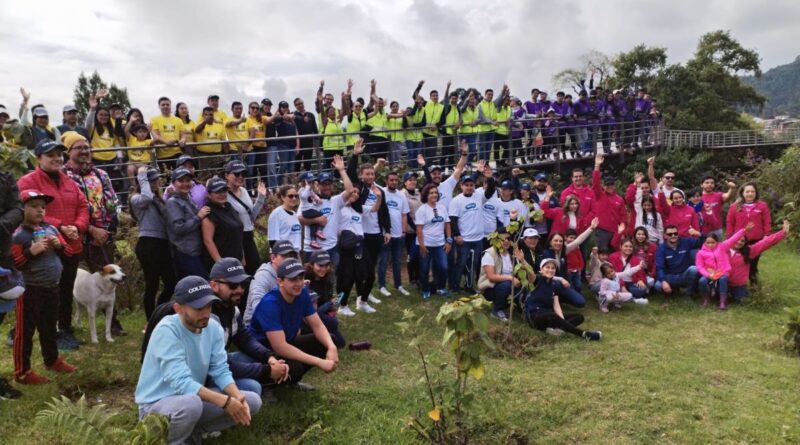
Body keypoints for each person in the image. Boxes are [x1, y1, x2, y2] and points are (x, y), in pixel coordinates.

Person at [136, 276, 262, 445]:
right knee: (191, 404)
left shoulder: (213, 328)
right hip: (155, 405)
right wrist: (225, 402)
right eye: (198, 308)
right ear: (178, 308)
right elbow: (181, 382)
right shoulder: (167, 330)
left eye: (209, 306)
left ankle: (192, 432)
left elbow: (220, 370)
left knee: (252, 401)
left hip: (189, 400)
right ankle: (164, 440)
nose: (205, 314)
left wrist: (237, 397)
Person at [17, 140, 89, 351]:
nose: (57, 158)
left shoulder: (69, 181)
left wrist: (78, 226)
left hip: (70, 244)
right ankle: (42, 332)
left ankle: (64, 329)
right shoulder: (27, 181)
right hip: (44, 246)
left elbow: (83, 205)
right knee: (45, 292)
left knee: (66, 288)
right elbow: (25, 211)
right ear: (38, 158)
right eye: (51, 155)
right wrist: (61, 226)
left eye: (60, 154)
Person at [62, 131, 125, 337]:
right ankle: (64, 326)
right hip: (74, 236)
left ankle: (112, 324)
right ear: (69, 151)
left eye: (86, 147)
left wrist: (109, 228)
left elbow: (113, 201)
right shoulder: (63, 176)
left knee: (109, 279)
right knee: (66, 279)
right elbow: (65, 208)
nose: (84, 151)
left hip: (101, 237)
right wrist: (89, 228)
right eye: (78, 147)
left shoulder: (101, 174)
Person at [12, 190, 78, 384]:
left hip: (52, 286)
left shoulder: (51, 229)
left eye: (43, 207)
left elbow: (69, 252)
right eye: (33, 206)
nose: (40, 210)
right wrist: (31, 252)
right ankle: (22, 371)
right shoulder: (18, 235)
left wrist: (59, 246)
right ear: (20, 209)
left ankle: (52, 360)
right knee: (25, 331)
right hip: (29, 289)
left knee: (49, 326)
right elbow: (14, 263)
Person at [247, 259, 339, 386]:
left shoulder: (302, 294)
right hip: (264, 353)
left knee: (329, 340)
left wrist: (331, 347)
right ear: (280, 282)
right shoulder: (270, 303)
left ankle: (289, 381)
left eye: (301, 278)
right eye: (293, 279)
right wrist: (319, 362)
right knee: (295, 369)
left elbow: (317, 325)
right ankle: (266, 386)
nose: (299, 283)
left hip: (286, 343)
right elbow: (280, 347)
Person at [345, 139, 390, 306]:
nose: (370, 176)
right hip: (361, 234)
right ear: (362, 176)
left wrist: (387, 230)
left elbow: (384, 211)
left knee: (370, 267)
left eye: (372, 174)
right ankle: (360, 296)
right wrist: (355, 155)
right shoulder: (360, 188)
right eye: (367, 174)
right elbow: (350, 175)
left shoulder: (379, 190)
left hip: (375, 234)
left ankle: (366, 294)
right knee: (363, 268)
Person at [131, 166, 177, 320]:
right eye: (152, 180)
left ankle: (159, 313)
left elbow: (163, 214)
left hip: (162, 244)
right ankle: (151, 319)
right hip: (148, 243)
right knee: (152, 284)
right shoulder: (137, 198)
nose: (156, 181)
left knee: (171, 282)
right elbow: (146, 198)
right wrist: (142, 175)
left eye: (157, 178)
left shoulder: (157, 198)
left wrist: (167, 196)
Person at [524, 258, 602, 341]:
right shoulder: (537, 280)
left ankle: (557, 330)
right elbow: (530, 273)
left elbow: (556, 305)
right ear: (541, 270)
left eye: (553, 268)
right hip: (536, 317)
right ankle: (585, 334)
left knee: (579, 317)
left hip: (550, 317)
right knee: (552, 315)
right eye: (547, 267)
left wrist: (561, 321)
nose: (550, 270)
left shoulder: (554, 285)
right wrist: (522, 260)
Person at [298, 155, 353, 269]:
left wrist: (342, 170)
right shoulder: (309, 199)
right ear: (317, 185)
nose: (327, 187)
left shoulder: (336, 201)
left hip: (331, 248)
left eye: (329, 184)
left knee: (331, 281)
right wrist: (317, 220)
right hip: (311, 249)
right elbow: (299, 219)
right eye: (324, 184)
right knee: (311, 281)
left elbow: (350, 190)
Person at [449, 162, 495, 293]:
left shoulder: (479, 197)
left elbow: (490, 191)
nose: (469, 187)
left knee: (474, 264)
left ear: (474, 186)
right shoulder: (456, 201)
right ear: (461, 186)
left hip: (478, 239)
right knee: (461, 263)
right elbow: (453, 220)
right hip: (464, 240)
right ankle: (454, 286)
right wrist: (457, 235)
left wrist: (490, 178)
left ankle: (469, 286)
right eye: (466, 185)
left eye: (471, 185)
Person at [541, 218, 598, 308]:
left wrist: (591, 228)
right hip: (550, 282)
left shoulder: (563, 251)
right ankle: (552, 299)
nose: (558, 243)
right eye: (555, 241)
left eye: (560, 241)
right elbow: (544, 274)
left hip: (563, 284)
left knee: (580, 302)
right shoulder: (546, 253)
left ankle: (560, 298)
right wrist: (561, 279)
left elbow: (577, 241)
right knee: (557, 284)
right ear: (550, 242)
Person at [165, 168, 210, 279]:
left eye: (188, 180)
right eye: (181, 181)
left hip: (196, 251)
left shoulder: (188, 198)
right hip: (186, 253)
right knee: (202, 284)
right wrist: (198, 217)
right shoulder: (173, 202)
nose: (185, 184)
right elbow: (179, 228)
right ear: (173, 183)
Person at [728, 220, 789, 302]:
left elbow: (765, 243)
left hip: (738, 285)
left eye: (742, 241)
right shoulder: (724, 249)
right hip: (724, 282)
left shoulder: (749, 251)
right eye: (737, 240)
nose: (739, 242)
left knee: (740, 301)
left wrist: (782, 233)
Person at [224, 160, 267, 276]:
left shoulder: (243, 190)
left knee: (255, 270)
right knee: (241, 272)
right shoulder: (223, 196)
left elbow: (251, 217)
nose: (240, 177)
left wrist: (261, 197)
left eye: (243, 174)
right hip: (236, 238)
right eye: (236, 174)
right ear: (227, 175)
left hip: (248, 235)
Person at [244, 240, 298, 328]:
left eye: (291, 257)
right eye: (285, 256)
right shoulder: (262, 276)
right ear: (273, 258)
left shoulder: (290, 276)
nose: (289, 260)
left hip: (281, 324)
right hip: (256, 329)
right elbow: (258, 309)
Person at [726, 182, 772, 283]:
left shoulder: (762, 206)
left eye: (752, 191)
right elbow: (730, 223)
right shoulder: (734, 206)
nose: (750, 194)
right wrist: (729, 239)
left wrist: (766, 235)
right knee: (739, 262)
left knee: (753, 264)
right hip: (739, 241)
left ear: (756, 193)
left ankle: (754, 286)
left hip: (756, 239)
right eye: (747, 191)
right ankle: (736, 285)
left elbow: (767, 221)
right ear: (742, 193)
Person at [377, 171, 412, 297]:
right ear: (386, 181)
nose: (394, 182)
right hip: (385, 234)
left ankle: (398, 285)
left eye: (396, 180)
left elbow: (404, 214)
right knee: (383, 261)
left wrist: (403, 231)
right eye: (391, 180)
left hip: (398, 235)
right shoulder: (381, 191)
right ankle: (382, 286)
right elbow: (369, 182)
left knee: (397, 261)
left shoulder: (401, 195)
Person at [695, 227, 748, 310]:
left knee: (723, 280)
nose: (710, 245)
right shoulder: (700, 253)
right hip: (710, 273)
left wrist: (744, 230)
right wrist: (708, 275)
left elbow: (733, 239)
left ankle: (722, 302)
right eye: (708, 243)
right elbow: (700, 266)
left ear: (717, 242)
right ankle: (706, 299)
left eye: (713, 242)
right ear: (704, 242)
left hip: (723, 272)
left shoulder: (722, 246)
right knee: (702, 281)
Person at [415, 183, 452, 299]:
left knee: (444, 267)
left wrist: (449, 240)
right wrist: (421, 245)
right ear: (426, 195)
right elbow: (419, 229)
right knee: (425, 268)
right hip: (425, 245)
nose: (434, 194)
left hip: (440, 244)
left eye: (436, 192)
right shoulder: (422, 210)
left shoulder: (442, 208)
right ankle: (426, 290)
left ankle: (441, 287)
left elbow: (447, 224)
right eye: (431, 193)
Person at [477, 228, 517, 321]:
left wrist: (522, 260)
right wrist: (510, 278)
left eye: (508, 239)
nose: (506, 241)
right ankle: (496, 310)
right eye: (503, 239)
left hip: (506, 285)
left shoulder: (512, 253)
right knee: (507, 284)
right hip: (489, 288)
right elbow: (491, 277)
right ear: (496, 240)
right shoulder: (490, 254)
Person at [655, 225, 702, 296]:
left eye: (675, 233)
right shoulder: (661, 248)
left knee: (694, 269)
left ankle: (689, 294)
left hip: (684, 274)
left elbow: (705, 243)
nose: (673, 235)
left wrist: (699, 234)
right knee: (658, 285)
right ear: (665, 236)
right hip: (670, 276)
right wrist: (663, 281)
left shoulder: (686, 241)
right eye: (670, 234)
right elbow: (659, 267)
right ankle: (673, 291)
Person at [591, 153, 626, 250]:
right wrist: (597, 166)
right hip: (602, 231)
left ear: (615, 186)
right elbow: (595, 183)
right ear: (603, 186)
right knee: (602, 255)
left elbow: (623, 216)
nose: (610, 187)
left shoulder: (619, 199)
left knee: (616, 254)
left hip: (616, 231)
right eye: (607, 185)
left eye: (611, 185)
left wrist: (622, 231)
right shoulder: (599, 195)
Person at [609, 237, 650, 301]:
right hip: (617, 282)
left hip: (631, 282)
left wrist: (641, 280)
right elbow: (613, 275)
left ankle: (626, 297)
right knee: (613, 287)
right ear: (620, 246)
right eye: (626, 246)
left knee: (642, 290)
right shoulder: (613, 257)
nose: (628, 248)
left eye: (630, 247)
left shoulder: (636, 259)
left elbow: (641, 274)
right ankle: (630, 298)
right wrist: (622, 286)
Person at [150, 96, 185, 161]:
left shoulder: (178, 120)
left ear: (170, 106)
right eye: (163, 105)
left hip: (177, 152)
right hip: (162, 155)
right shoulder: (154, 120)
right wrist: (167, 142)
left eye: (167, 104)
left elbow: (183, 135)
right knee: (166, 171)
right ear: (159, 106)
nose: (165, 106)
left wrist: (183, 139)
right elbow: (156, 136)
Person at [268, 185, 302, 252]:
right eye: (290, 196)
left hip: (295, 253)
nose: (294, 198)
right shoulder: (276, 214)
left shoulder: (294, 214)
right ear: (282, 197)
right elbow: (272, 241)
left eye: (296, 196)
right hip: (283, 254)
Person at [402, 171, 422, 285]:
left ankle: (419, 277)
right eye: (410, 179)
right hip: (410, 230)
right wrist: (415, 228)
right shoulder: (402, 194)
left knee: (419, 255)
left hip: (420, 230)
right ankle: (412, 279)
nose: (413, 181)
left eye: (414, 179)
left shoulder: (419, 193)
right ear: (405, 182)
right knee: (411, 255)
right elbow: (406, 213)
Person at [293, 98, 318, 172]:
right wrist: (302, 119)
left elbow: (315, 129)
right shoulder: (294, 115)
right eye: (298, 104)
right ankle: (297, 182)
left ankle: (308, 180)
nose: (300, 105)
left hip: (309, 143)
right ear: (295, 106)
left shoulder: (311, 115)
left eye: (301, 103)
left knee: (308, 164)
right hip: (298, 144)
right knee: (297, 164)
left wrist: (316, 141)